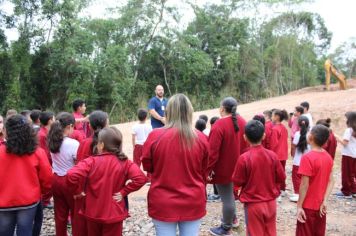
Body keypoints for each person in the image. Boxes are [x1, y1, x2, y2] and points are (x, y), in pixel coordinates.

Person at [142, 94, 209, 236]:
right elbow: (204, 170)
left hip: (163, 200)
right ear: (189, 112)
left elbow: (147, 166)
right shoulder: (201, 138)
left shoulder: (155, 136)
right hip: (193, 199)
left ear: (168, 111)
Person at [66, 127, 147, 236]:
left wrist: (77, 191)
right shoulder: (125, 163)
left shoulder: (91, 161)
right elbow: (141, 178)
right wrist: (124, 192)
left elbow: (71, 175)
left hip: (92, 212)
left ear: (102, 145)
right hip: (114, 212)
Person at [0, 115, 52, 236]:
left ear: (5, 131)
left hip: (3, 202)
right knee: (25, 231)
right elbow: (47, 178)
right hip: (28, 202)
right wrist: (43, 195)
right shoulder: (37, 152)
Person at [232, 120, 286, 236]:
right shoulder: (272, 156)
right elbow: (281, 177)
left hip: (253, 204)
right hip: (271, 202)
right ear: (264, 136)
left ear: (245, 137)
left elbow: (237, 181)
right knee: (270, 232)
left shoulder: (244, 158)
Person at [208, 97, 247, 236]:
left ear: (222, 108)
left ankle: (226, 228)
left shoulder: (219, 125)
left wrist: (207, 170)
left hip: (223, 169)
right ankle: (234, 219)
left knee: (227, 198)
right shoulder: (243, 122)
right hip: (240, 167)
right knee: (230, 195)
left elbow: (212, 153)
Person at [296, 125, 334, 236]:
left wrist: (299, 206)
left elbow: (304, 185)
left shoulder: (307, 158)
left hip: (308, 206)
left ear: (311, 137)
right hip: (321, 206)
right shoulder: (328, 157)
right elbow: (331, 181)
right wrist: (325, 200)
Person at [48, 112, 80, 236]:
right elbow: (78, 165)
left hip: (56, 179)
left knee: (60, 214)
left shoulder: (52, 140)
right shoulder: (73, 144)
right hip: (70, 180)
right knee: (75, 213)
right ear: (70, 126)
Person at [335, 111, 356, 199]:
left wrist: (335, 136)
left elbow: (345, 143)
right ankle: (354, 190)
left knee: (346, 173)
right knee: (352, 173)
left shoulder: (349, 130)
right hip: (354, 154)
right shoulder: (354, 130)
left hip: (348, 154)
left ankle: (346, 192)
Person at [290, 116, 310, 202]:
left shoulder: (297, 134)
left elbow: (293, 146)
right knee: (306, 178)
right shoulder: (311, 134)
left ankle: (297, 194)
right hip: (308, 161)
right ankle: (306, 194)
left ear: (298, 124)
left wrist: (293, 155)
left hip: (297, 161)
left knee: (296, 177)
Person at [270, 109, 289, 201]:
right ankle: (282, 189)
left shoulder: (274, 129)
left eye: (272, 115)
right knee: (282, 172)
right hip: (283, 154)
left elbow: (273, 144)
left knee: (275, 174)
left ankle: (277, 194)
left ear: (277, 117)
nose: (271, 117)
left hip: (276, 155)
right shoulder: (284, 128)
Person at [207, 116, 221, 203]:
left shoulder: (213, 132)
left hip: (215, 159)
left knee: (215, 176)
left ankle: (217, 194)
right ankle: (218, 193)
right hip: (220, 159)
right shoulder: (219, 130)